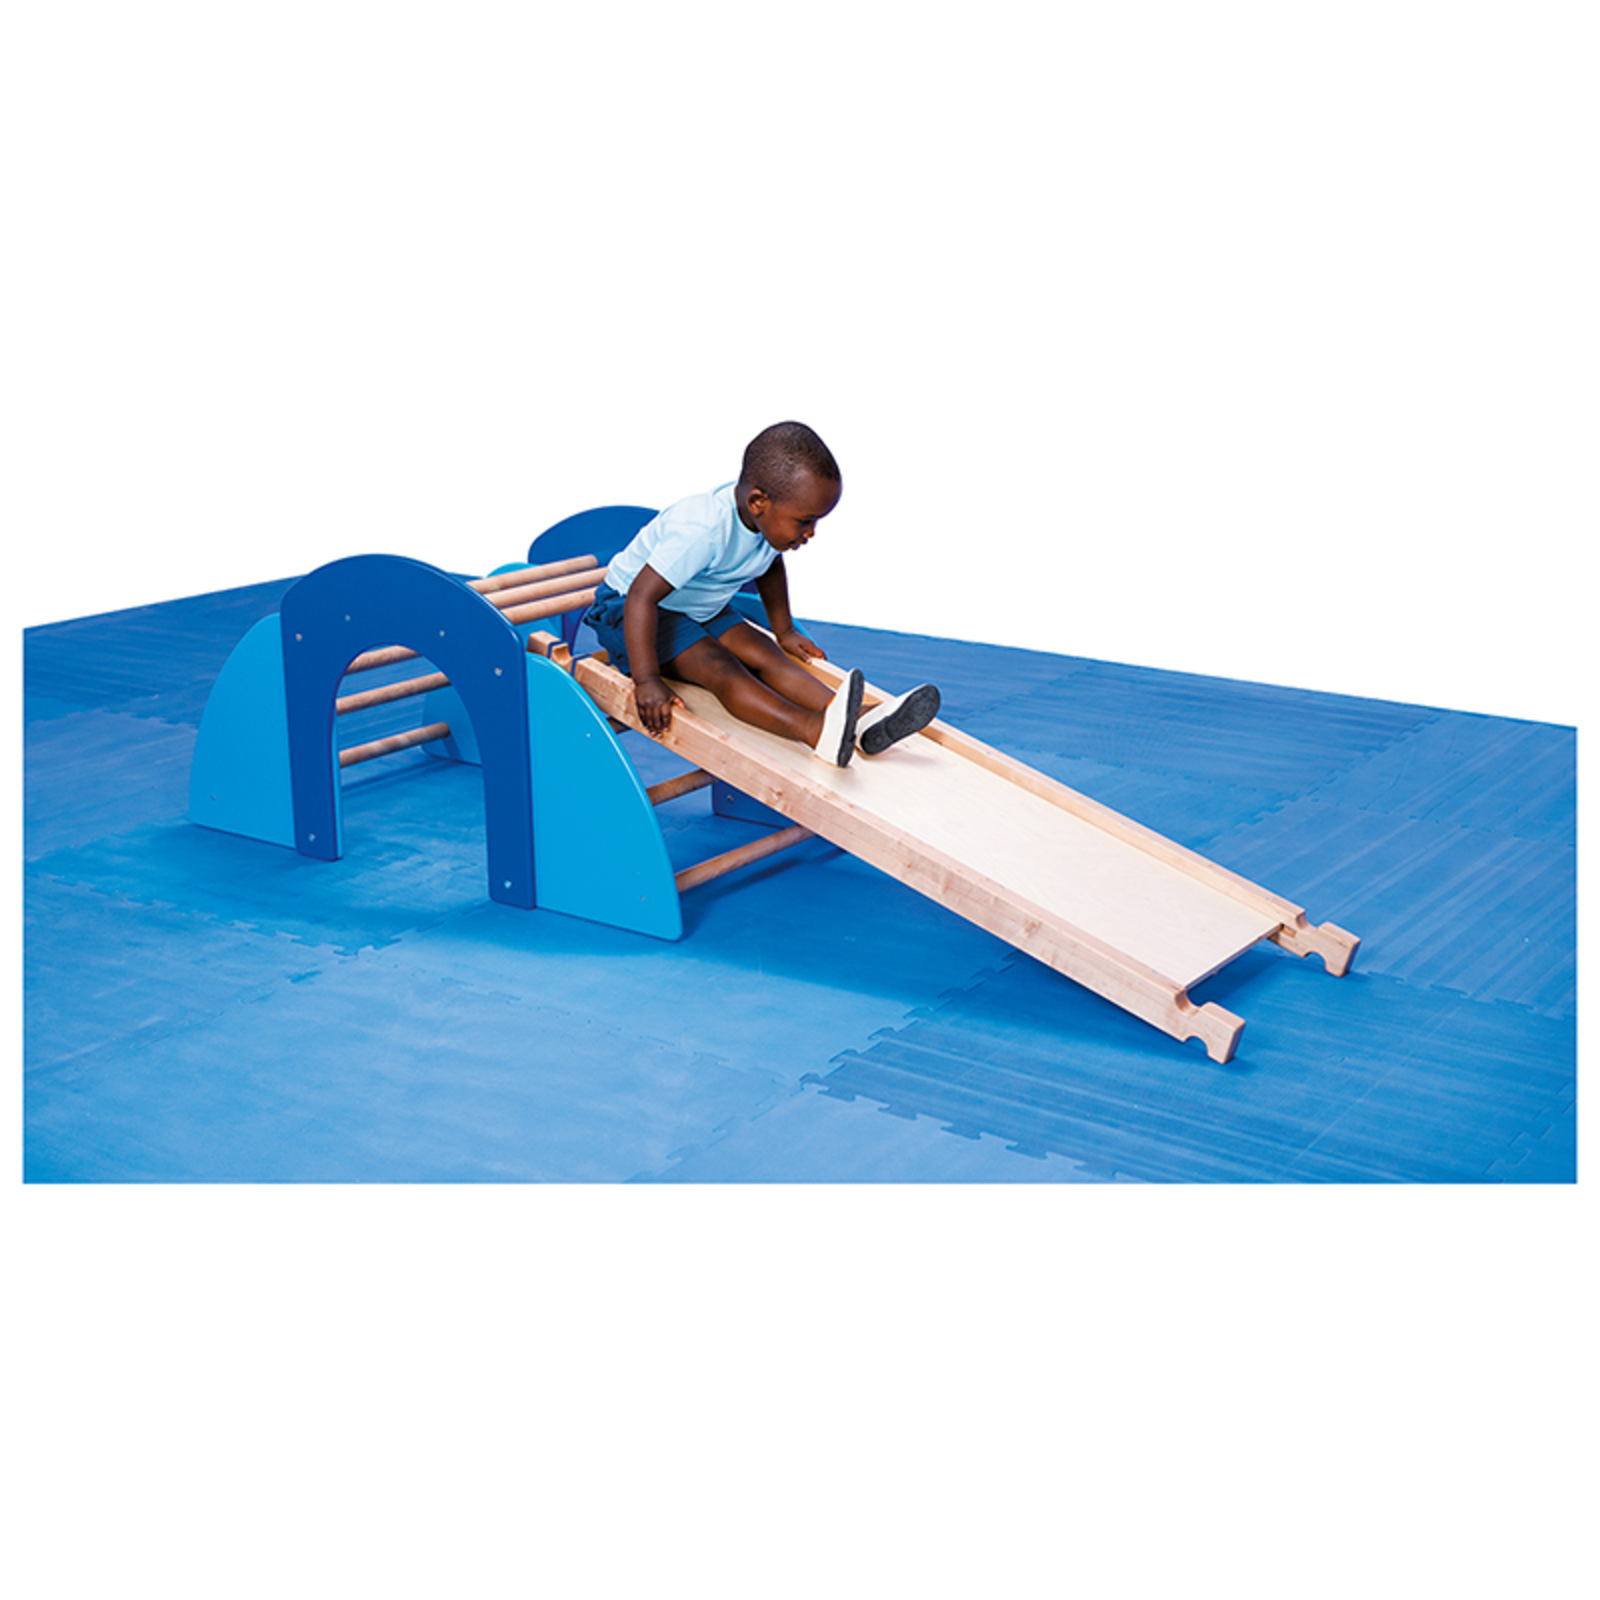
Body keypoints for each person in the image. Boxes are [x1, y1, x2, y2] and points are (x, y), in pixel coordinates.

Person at [584, 421, 939, 767]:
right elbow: (641, 597)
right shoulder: (702, 531)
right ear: (758, 502)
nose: (811, 532)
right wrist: (647, 680)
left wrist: (784, 631)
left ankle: (854, 718)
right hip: (629, 612)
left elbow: (769, 566)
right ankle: (812, 730)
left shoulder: (764, 519)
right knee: (721, 668)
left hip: (697, 605)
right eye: (805, 521)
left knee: (767, 654)